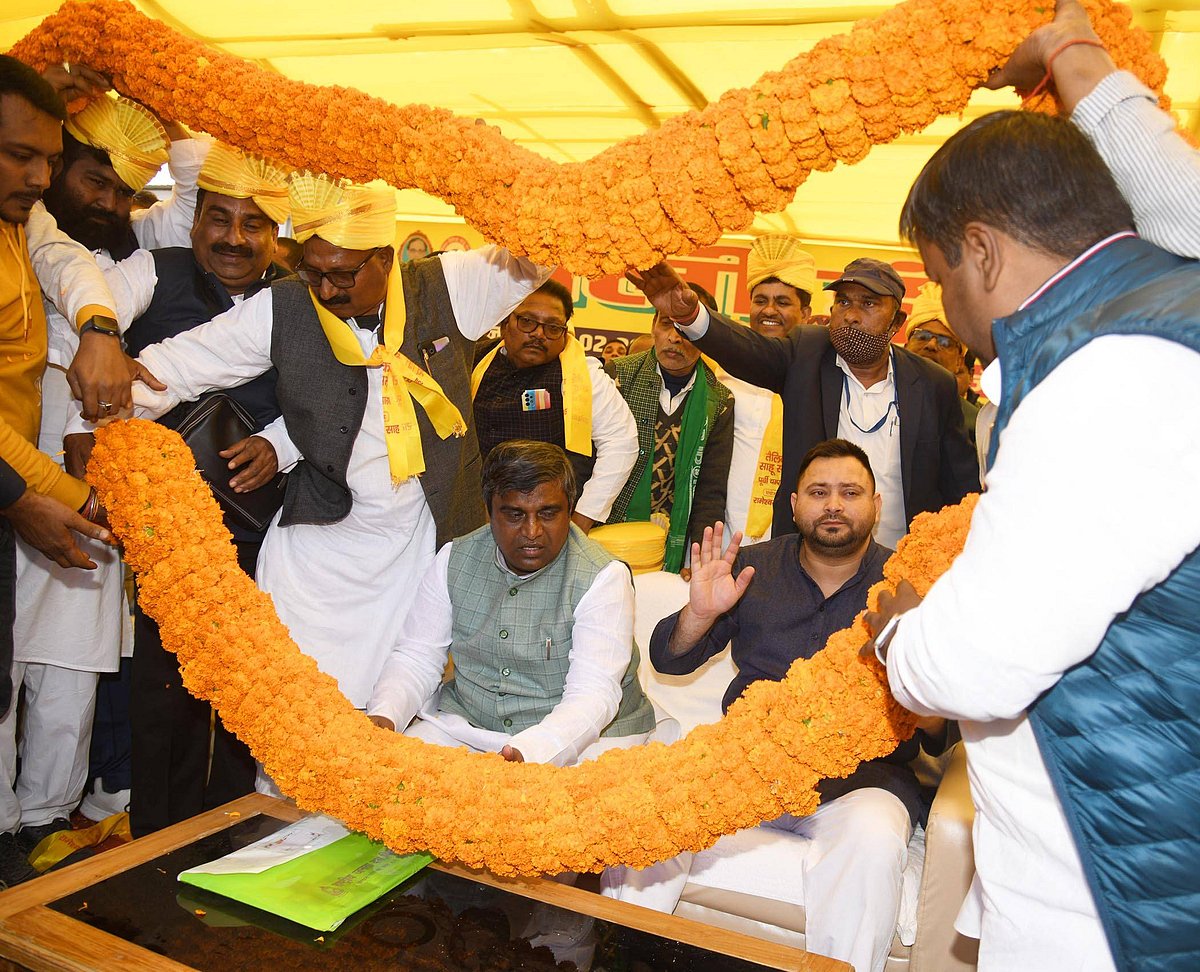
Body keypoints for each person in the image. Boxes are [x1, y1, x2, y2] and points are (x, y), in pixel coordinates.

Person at [867, 7, 1200, 965]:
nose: (944, 307)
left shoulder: (1107, 377)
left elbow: (974, 663)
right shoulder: (1159, 306)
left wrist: (903, 627)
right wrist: (1071, 51)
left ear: (983, 251)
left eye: (938, 277)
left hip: (1114, 898)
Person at [128, 175, 552, 729]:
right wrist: (101, 422)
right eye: (312, 271)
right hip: (317, 553)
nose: (325, 291)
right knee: (291, 710)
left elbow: (544, 245)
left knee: (394, 705)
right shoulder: (283, 305)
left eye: (343, 274)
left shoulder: (449, 287)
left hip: (418, 545)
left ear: (385, 256)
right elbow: (174, 368)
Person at [609, 440, 945, 972]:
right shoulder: (751, 569)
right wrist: (698, 612)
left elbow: (936, 728)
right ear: (794, 505)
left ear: (876, 505)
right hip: (744, 766)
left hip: (861, 786)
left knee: (875, 842)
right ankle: (625, 958)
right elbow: (669, 661)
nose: (833, 504)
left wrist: (913, 665)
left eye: (850, 492)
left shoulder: (911, 588)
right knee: (651, 809)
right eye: (819, 492)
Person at [13, 89, 205, 851]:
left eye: (126, 190)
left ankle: (40, 822)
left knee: (70, 663)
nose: (110, 201)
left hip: (88, 464)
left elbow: (195, 190)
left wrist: (156, 89)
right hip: (15, 457)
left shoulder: (133, 238)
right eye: (95, 179)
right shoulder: (26, 226)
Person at [116, 143, 298, 837]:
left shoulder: (299, 298)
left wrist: (276, 442)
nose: (232, 238)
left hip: (266, 538)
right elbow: (96, 338)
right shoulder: (152, 277)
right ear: (193, 221)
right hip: (170, 540)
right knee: (166, 694)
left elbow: (338, 402)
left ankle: (230, 835)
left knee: (249, 694)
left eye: (253, 225)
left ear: (275, 236)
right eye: (218, 218)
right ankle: (154, 843)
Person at [0, 55, 127, 887]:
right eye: (18, 155)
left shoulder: (21, 221)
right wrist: (48, 496)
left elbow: (68, 263)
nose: (38, 176)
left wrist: (98, 326)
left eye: (47, 157)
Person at [627, 256, 978, 550]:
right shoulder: (806, 353)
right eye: (843, 302)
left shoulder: (933, 385)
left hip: (899, 561)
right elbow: (747, 349)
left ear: (897, 321)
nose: (851, 315)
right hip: (811, 560)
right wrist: (691, 317)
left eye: (868, 304)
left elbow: (961, 490)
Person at [367, 439, 655, 765]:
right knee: (399, 783)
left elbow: (593, 693)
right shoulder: (453, 559)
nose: (532, 531)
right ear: (488, 511)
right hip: (469, 729)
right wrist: (384, 716)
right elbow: (417, 656)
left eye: (548, 514)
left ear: (570, 509)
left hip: (585, 739)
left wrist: (531, 752)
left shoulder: (603, 577)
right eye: (515, 515)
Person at [471, 279, 636, 532]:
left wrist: (582, 518)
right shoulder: (474, 361)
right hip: (478, 516)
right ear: (505, 322)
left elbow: (621, 442)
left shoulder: (583, 374)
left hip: (548, 524)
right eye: (527, 321)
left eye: (552, 327)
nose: (539, 334)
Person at [604, 283, 734, 575]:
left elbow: (710, 491)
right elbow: (586, 465)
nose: (675, 337)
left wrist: (699, 560)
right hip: (605, 535)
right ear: (653, 326)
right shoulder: (617, 378)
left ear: (707, 338)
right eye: (667, 324)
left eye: (688, 330)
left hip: (670, 547)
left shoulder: (719, 401)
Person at [722, 234, 816, 545]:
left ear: (805, 313)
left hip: (796, 537)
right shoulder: (722, 371)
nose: (769, 310)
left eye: (783, 302)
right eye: (760, 300)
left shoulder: (820, 379)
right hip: (725, 533)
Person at [902, 282, 979, 443]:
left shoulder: (974, 426)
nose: (931, 345)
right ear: (906, 346)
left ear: (959, 362)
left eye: (945, 342)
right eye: (922, 336)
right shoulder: (873, 400)